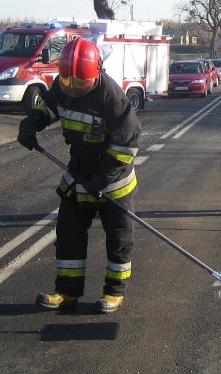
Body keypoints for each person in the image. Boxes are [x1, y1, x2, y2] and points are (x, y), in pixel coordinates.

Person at [17, 37, 141, 314]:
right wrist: (30, 125)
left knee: (119, 239)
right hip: (79, 174)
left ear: (96, 71)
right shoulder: (63, 85)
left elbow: (126, 145)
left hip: (114, 183)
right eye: (67, 82)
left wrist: (102, 180)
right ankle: (66, 293)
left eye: (79, 84)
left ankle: (114, 293)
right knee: (69, 233)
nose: (72, 89)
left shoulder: (111, 97)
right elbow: (47, 108)